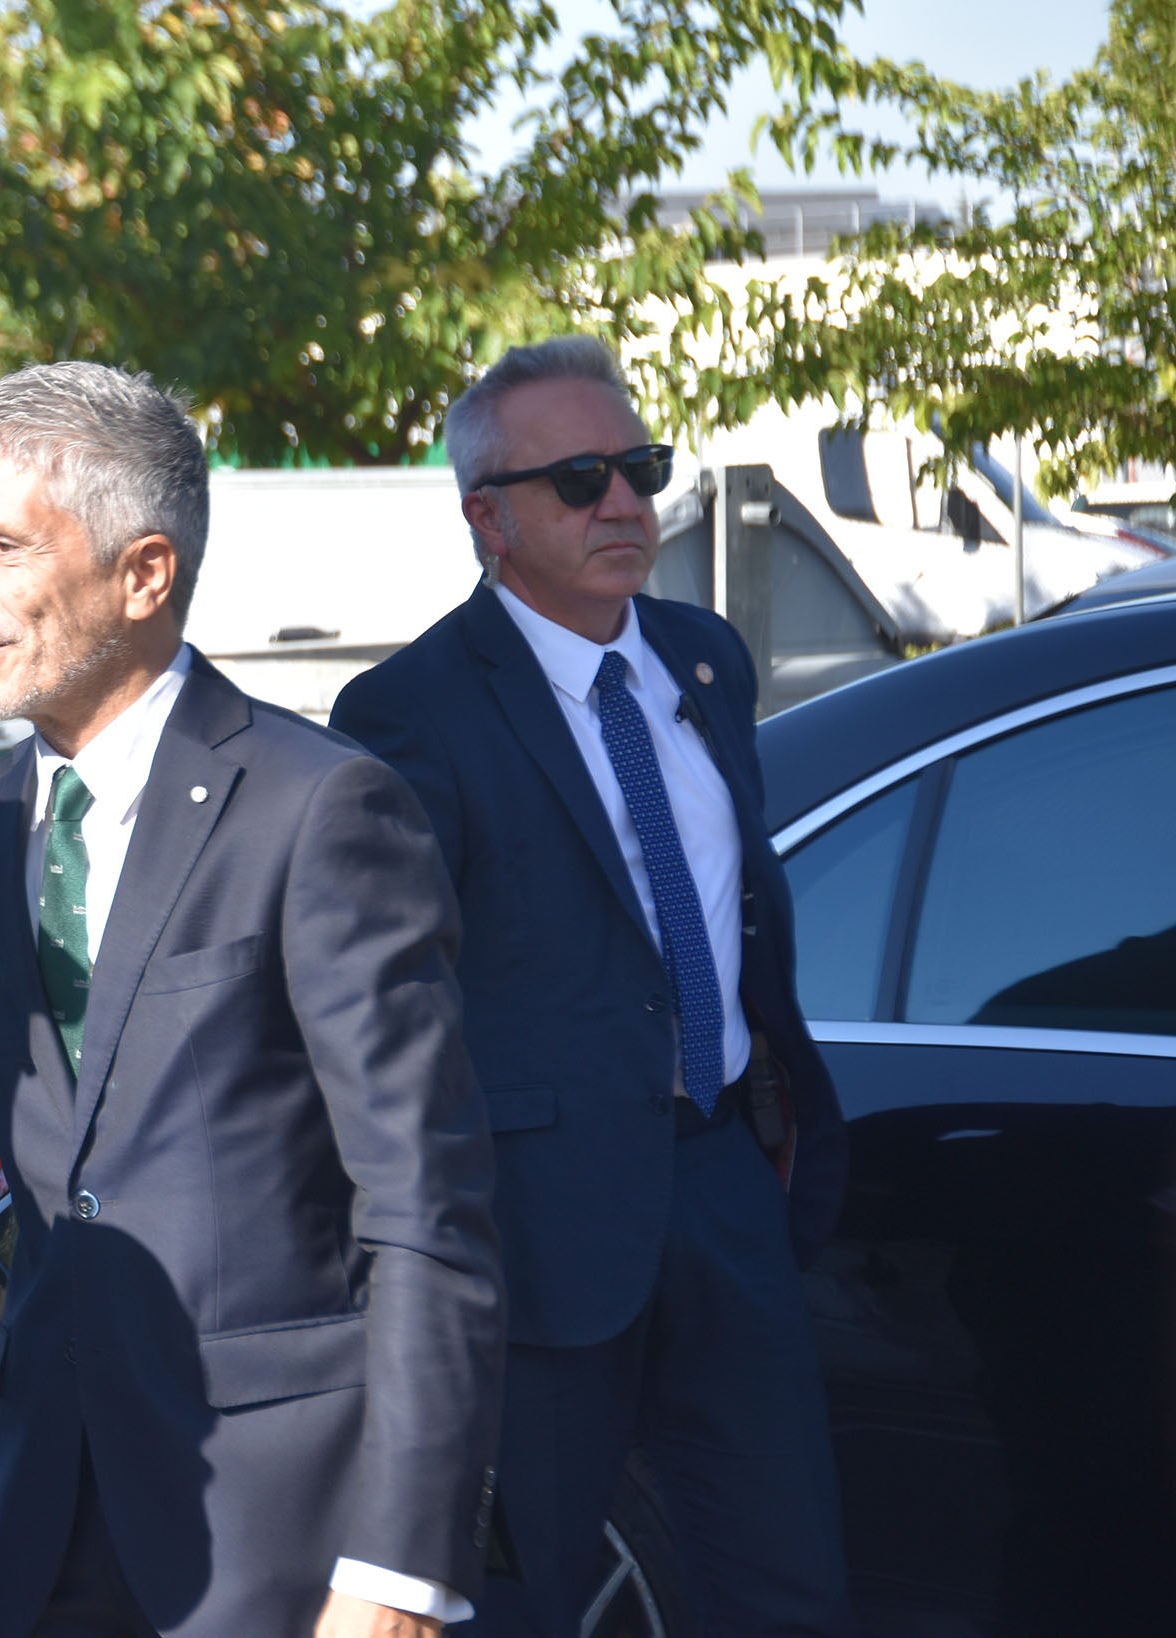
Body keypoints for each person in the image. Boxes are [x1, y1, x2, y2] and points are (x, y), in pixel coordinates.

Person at [0, 362, 506, 1638]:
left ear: (144, 573)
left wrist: (400, 1566)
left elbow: (426, 1205)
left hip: (281, 1529)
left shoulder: (322, 809)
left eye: (0, 548)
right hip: (35, 1501)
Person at [329, 336, 851, 1638]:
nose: (626, 503)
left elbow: (737, 918)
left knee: (785, 1584)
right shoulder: (409, 711)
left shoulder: (705, 658)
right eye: (581, 479)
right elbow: (388, 1004)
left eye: (639, 468)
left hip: (722, 1182)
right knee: (518, 1603)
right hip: (537, 1232)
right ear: (487, 519)